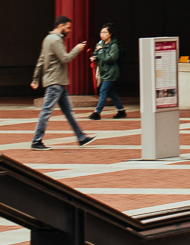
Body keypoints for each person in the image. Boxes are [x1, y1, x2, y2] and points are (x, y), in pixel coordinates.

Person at [30, 17, 93, 148]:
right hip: (56, 82)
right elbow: (65, 58)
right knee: (47, 111)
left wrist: (35, 79)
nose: (69, 31)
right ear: (61, 25)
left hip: (56, 82)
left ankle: (81, 137)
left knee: (67, 111)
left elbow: (41, 60)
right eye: (68, 28)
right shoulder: (56, 40)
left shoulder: (47, 39)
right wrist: (77, 49)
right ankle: (36, 140)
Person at [88, 26, 125, 119]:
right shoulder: (100, 43)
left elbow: (111, 58)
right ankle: (121, 110)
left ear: (110, 34)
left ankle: (97, 112)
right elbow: (96, 54)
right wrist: (94, 57)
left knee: (103, 91)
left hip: (111, 72)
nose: (102, 35)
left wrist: (100, 51)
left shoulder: (114, 46)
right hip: (103, 71)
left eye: (105, 32)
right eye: (101, 32)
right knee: (111, 92)